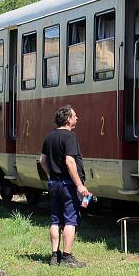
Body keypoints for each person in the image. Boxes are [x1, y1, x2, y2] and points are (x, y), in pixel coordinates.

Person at [38, 105, 90, 267]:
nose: (77, 118)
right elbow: (70, 161)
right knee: (70, 221)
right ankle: (67, 257)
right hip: (68, 184)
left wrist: (50, 175)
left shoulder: (49, 136)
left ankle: (54, 256)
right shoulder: (70, 137)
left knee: (55, 220)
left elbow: (42, 160)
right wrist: (79, 185)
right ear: (68, 119)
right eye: (74, 116)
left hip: (54, 183)